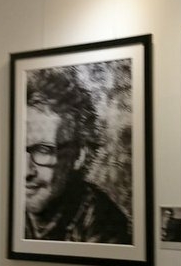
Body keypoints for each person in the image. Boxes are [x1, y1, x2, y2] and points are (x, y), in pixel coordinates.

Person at [23, 69, 131, 244]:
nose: (25, 171)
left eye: (43, 150)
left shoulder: (104, 225)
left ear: (79, 155)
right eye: (18, 150)